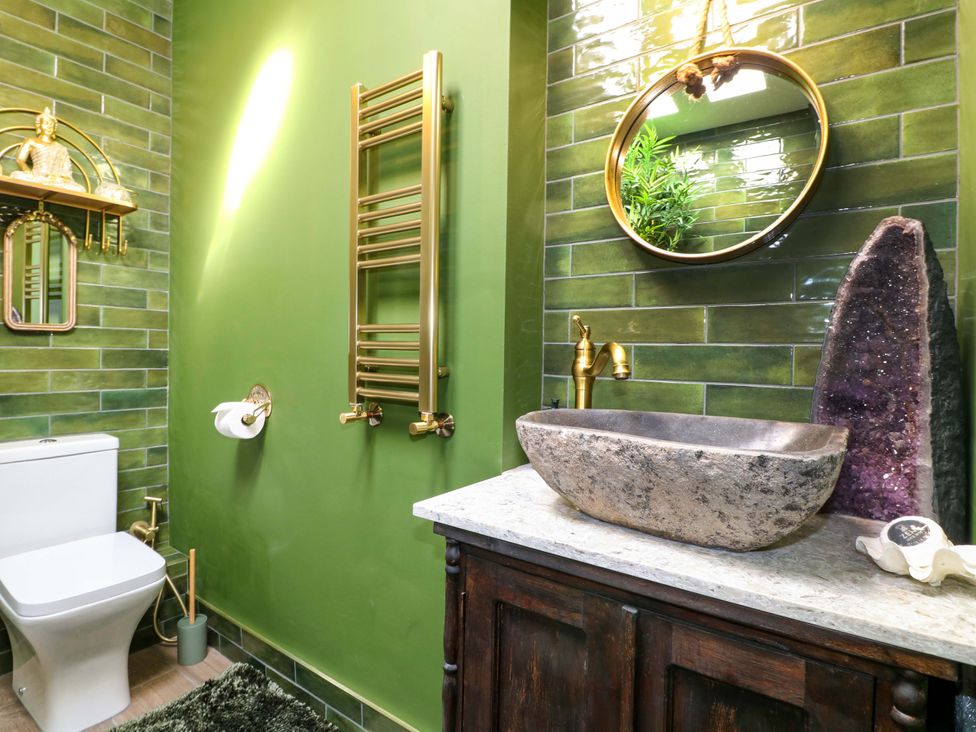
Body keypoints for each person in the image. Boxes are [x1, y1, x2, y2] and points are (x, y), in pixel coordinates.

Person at [9, 108, 85, 191]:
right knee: (17, 176)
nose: (49, 127)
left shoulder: (61, 148)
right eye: (46, 123)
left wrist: (59, 179)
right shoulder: (31, 141)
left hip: (56, 181)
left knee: (80, 189)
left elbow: (67, 173)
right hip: (37, 177)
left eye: (51, 125)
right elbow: (20, 160)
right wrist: (28, 173)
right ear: (39, 125)